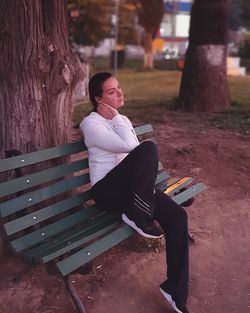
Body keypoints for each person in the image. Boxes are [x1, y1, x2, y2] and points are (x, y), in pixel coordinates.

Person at [80, 72, 190, 313]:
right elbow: (132, 147)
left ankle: (175, 290)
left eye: (119, 87)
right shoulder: (90, 124)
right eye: (111, 91)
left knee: (178, 217)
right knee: (148, 148)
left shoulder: (122, 119)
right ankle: (138, 215)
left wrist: (119, 118)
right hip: (107, 192)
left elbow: (133, 148)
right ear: (98, 99)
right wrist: (118, 118)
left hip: (132, 192)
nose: (120, 93)